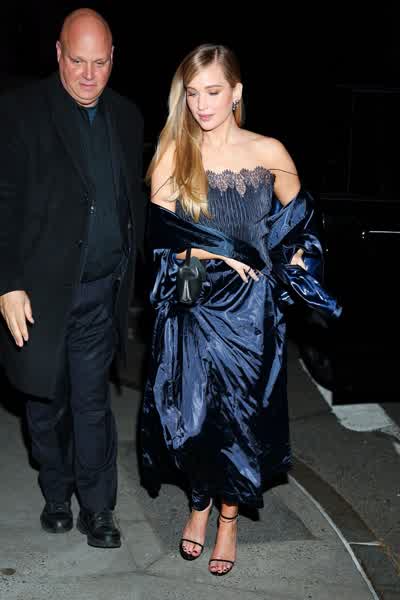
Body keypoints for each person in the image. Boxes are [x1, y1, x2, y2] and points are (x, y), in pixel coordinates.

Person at [140, 43, 341, 575]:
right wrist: (218, 253)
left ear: (236, 92)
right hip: (192, 300)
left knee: (239, 418)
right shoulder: (174, 153)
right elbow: (161, 241)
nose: (202, 105)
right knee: (192, 415)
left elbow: (302, 219)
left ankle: (228, 518)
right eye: (192, 93)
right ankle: (198, 504)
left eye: (213, 92)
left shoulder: (268, 151)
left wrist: (294, 255)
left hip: (252, 310)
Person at [0, 9, 145, 549]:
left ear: (113, 58)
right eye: (78, 61)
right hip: (38, 295)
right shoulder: (20, 112)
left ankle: (98, 509)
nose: (88, 75)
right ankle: (56, 492)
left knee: (91, 403)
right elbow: (4, 200)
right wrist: (7, 282)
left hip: (100, 290)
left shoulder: (127, 117)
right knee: (45, 403)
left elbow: (136, 200)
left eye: (100, 62)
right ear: (58, 54)